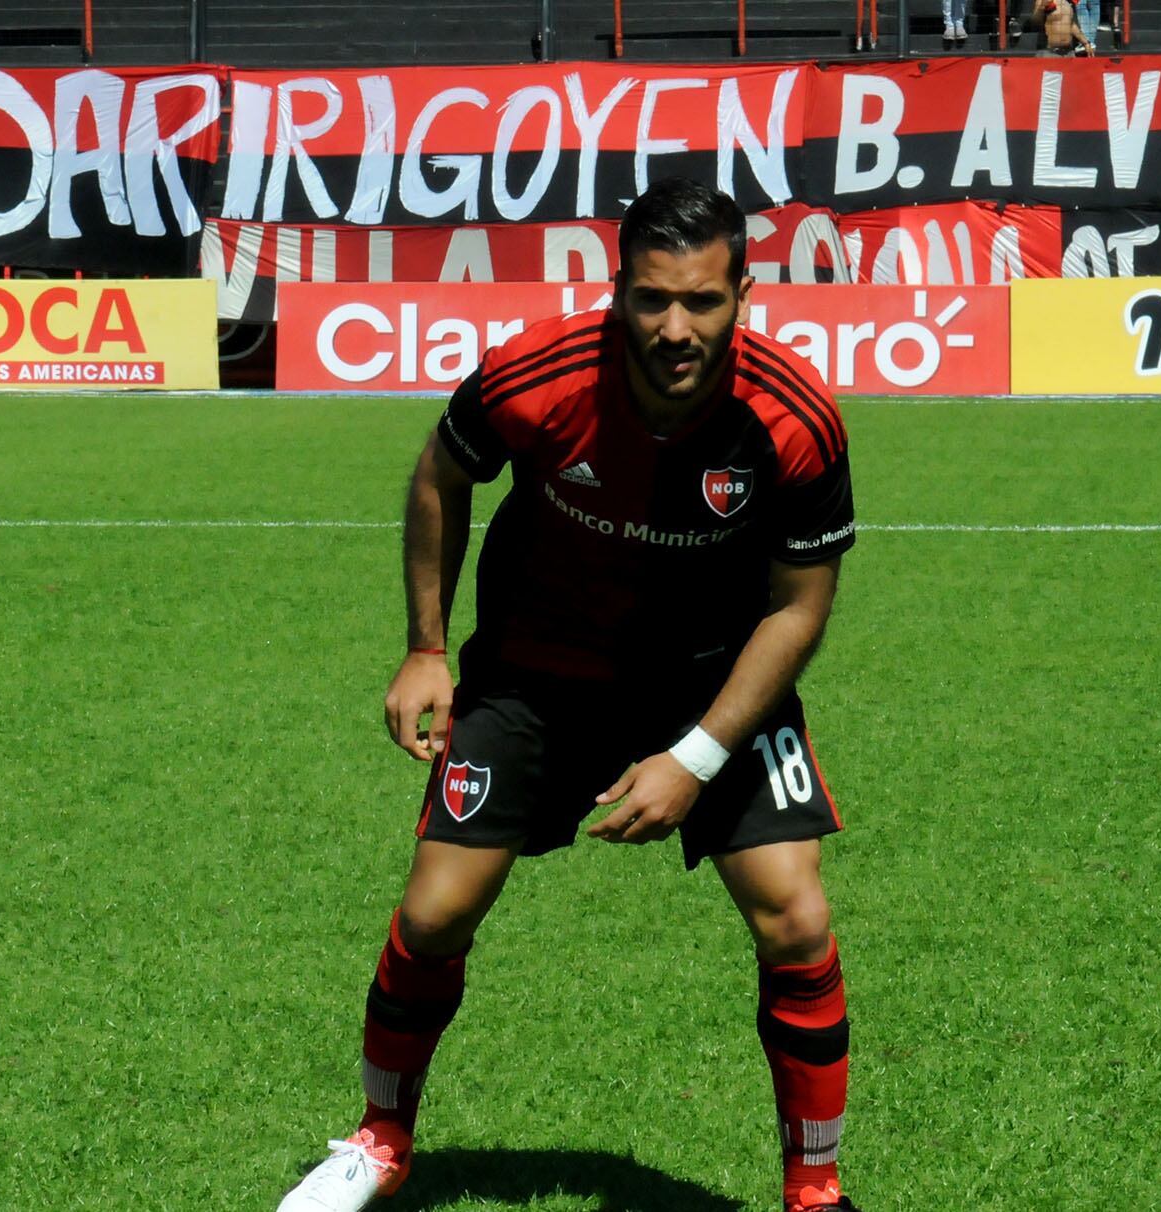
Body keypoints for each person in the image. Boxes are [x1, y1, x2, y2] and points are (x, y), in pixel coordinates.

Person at [275, 176, 861, 1212]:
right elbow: (440, 475)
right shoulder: (535, 373)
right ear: (617, 289)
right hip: (535, 672)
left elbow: (797, 609)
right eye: (651, 299)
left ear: (744, 294)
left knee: (795, 919)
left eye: (702, 301)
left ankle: (814, 1192)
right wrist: (424, 650)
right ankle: (379, 1140)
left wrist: (695, 758)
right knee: (435, 911)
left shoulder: (794, 416)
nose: (675, 328)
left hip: (709, 679)